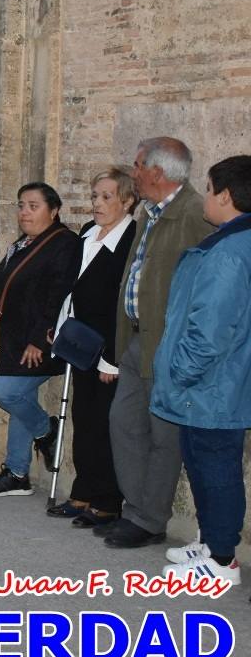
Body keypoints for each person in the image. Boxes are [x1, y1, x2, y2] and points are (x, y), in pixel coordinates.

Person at [101, 138, 213, 549]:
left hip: (167, 347)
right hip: (134, 340)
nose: (133, 172)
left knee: (164, 438)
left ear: (157, 172)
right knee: (124, 425)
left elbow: (208, 287)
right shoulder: (149, 213)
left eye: (137, 165)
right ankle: (136, 510)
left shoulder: (195, 214)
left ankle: (148, 520)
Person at [150, 155, 251, 585]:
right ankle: (211, 543)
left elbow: (210, 330)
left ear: (225, 196)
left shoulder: (228, 252)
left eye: (208, 189)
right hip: (219, 383)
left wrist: (179, 372)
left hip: (212, 385)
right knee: (206, 463)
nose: (205, 197)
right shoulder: (233, 243)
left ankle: (223, 560)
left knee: (214, 469)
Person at [0, 183, 82, 498]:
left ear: (54, 210)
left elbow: (58, 293)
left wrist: (39, 338)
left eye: (33, 206)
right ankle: (17, 473)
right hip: (14, 338)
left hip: (39, 341)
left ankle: (46, 431)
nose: (24, 212)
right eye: (21, 205)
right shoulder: (24, 243)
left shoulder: (63, 243)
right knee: (21, 398)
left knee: (6, 392)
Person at [47, 168, 137, 527]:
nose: (97, 203)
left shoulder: (131, 239)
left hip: (109, 348)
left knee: (105, 425)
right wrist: (58, 327)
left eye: (106, 197)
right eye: (95, 196)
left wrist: (112, 360)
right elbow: (72, 287)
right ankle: (83, 492)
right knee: (83, 420)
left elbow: (124, 305)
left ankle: (107, 500)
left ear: (127, 201)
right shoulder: (86, 232)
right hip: (80, 342)